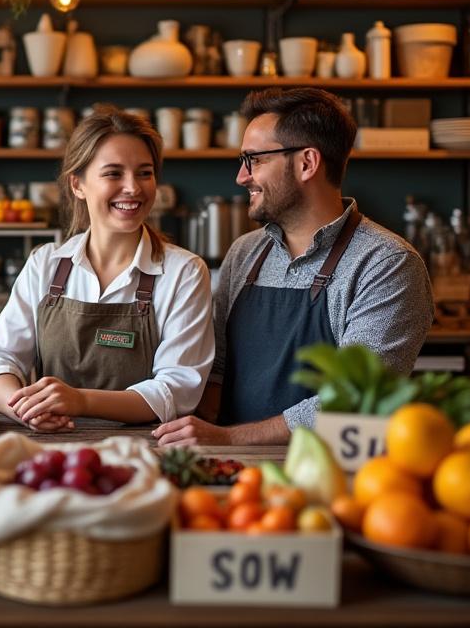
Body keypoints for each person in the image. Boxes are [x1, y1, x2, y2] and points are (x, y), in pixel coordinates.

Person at [154, 88, 433, 447]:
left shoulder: (385, 264)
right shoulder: (246, 253)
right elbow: (218, 371)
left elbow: (355, 398)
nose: (242, 177)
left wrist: (227, 437)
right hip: (232, 471)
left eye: (254, 159)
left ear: (307, 163)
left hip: (329, 478)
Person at [0, 106, 215, 431]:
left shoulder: (183, 273)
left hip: (145, 453)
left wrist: (81, 401)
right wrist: (26, 411)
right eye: (113, 173)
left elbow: (177, 390)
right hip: (50, 447)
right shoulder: (46, 265)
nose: (133, 187)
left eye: (144, 173)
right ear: (78, 185)